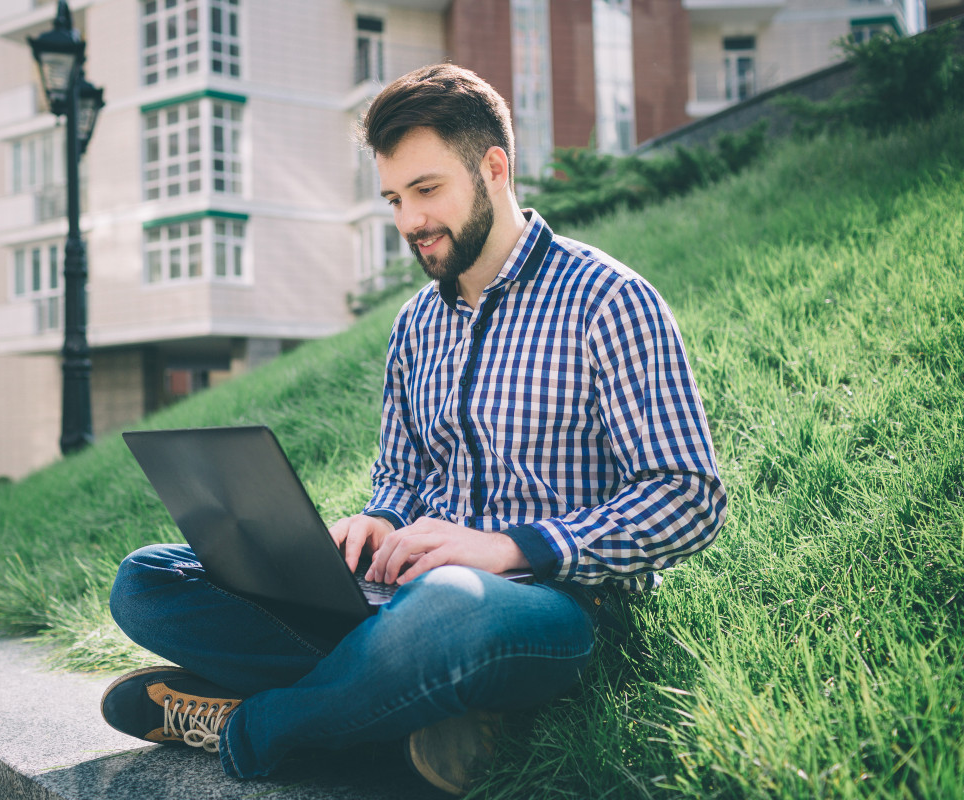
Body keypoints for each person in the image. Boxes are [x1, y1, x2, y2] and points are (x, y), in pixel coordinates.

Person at [102, 64, 727, 795]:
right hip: (402, 601)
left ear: (494, 168)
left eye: (427, 191)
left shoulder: (610, 301)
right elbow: (403, 475)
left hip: (550, 607)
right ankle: (405, 710)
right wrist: (376, 521)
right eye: (395, 199)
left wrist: (505, 547)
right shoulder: (417, 323)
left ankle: (253, 726)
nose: (409, 222)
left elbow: (687, 497)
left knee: (450, 608)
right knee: (148, 580)